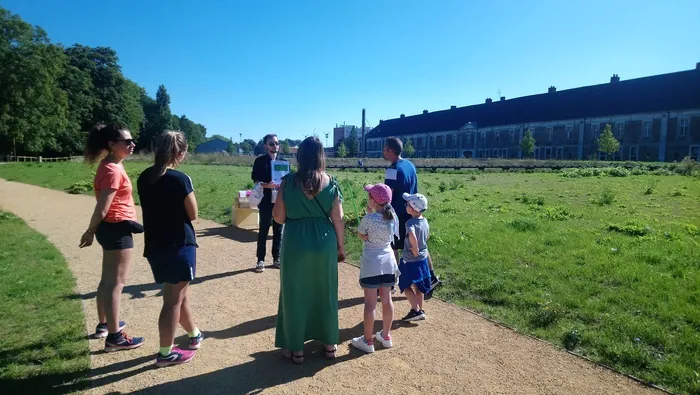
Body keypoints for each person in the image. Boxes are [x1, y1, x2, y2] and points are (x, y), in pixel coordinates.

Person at [272, 136, 345, 365]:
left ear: (299, 156)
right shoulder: (331, 183)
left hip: (295, 242)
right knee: (326, 292)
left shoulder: (287, 182)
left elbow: (279, 218)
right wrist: (341, 246)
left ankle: (296, 349)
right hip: (324, 242)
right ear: (321, 156)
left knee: (295, 294)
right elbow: (338, 219)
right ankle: (330, 344)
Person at [137, 131, 202, 367]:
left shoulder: (145, 177)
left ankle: (193, 334)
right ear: (180, 153)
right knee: (173, 300)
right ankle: (165, 353)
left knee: (177, 294)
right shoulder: (179, 179)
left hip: (155, 245)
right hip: (179, 244)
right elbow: (193, 214)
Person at [79, 123, 145, 352]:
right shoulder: (112, 170)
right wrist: (89, 230)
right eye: (127, 142)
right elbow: (103, 207)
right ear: (111, 144)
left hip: (111, 228)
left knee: (107, 280)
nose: (132, 144)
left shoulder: (110, 165)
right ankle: (115, 337)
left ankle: (105, 325)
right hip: (117, 228)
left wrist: (94, 230)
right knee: (116, 283)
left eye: (131, 140)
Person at [382, 137, 441, 294]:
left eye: (384, 149)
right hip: (413, 211)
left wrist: (382, 211)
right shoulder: (409, 165)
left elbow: (388, 195)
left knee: (392, 246)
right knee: (420, 246)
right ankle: (432, 277)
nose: (383, 151)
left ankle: (394, 281)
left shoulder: (392, 170)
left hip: (398, 214)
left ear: (390, 151)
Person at [351, 184, 399, 353]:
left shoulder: (368, 219)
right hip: (388, 262)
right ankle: (386, 336)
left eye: (369, 196)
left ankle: (367, 340)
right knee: (387, 300)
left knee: (370, 303)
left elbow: (362, 235)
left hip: (371, 263)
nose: (367, 198)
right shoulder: (392, 216)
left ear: (373, 200)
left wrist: (368, 214)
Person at [251, 134, 285, 272]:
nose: (274, 146)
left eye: (276, 143)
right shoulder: (260, 161)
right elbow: (256, 181)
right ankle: (260, 260)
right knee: (263, 230)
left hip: (279, 201)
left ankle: (276, 258)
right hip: (265, 201)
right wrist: (267, 186)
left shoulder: (283, 162)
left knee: (278, 230)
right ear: (266, 146)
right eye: (271, 143)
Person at [397, 193, 431, 321]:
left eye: (407, 204)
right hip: (422, 259)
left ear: (413, 209)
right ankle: (419, 309)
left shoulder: (410, 223)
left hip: (410, 260)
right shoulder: (425, 221)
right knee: (419, 285)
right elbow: (426, 236)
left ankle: (416, 311)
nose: (405, 205)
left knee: (405, 285)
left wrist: (415, 248)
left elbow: (412, 235)